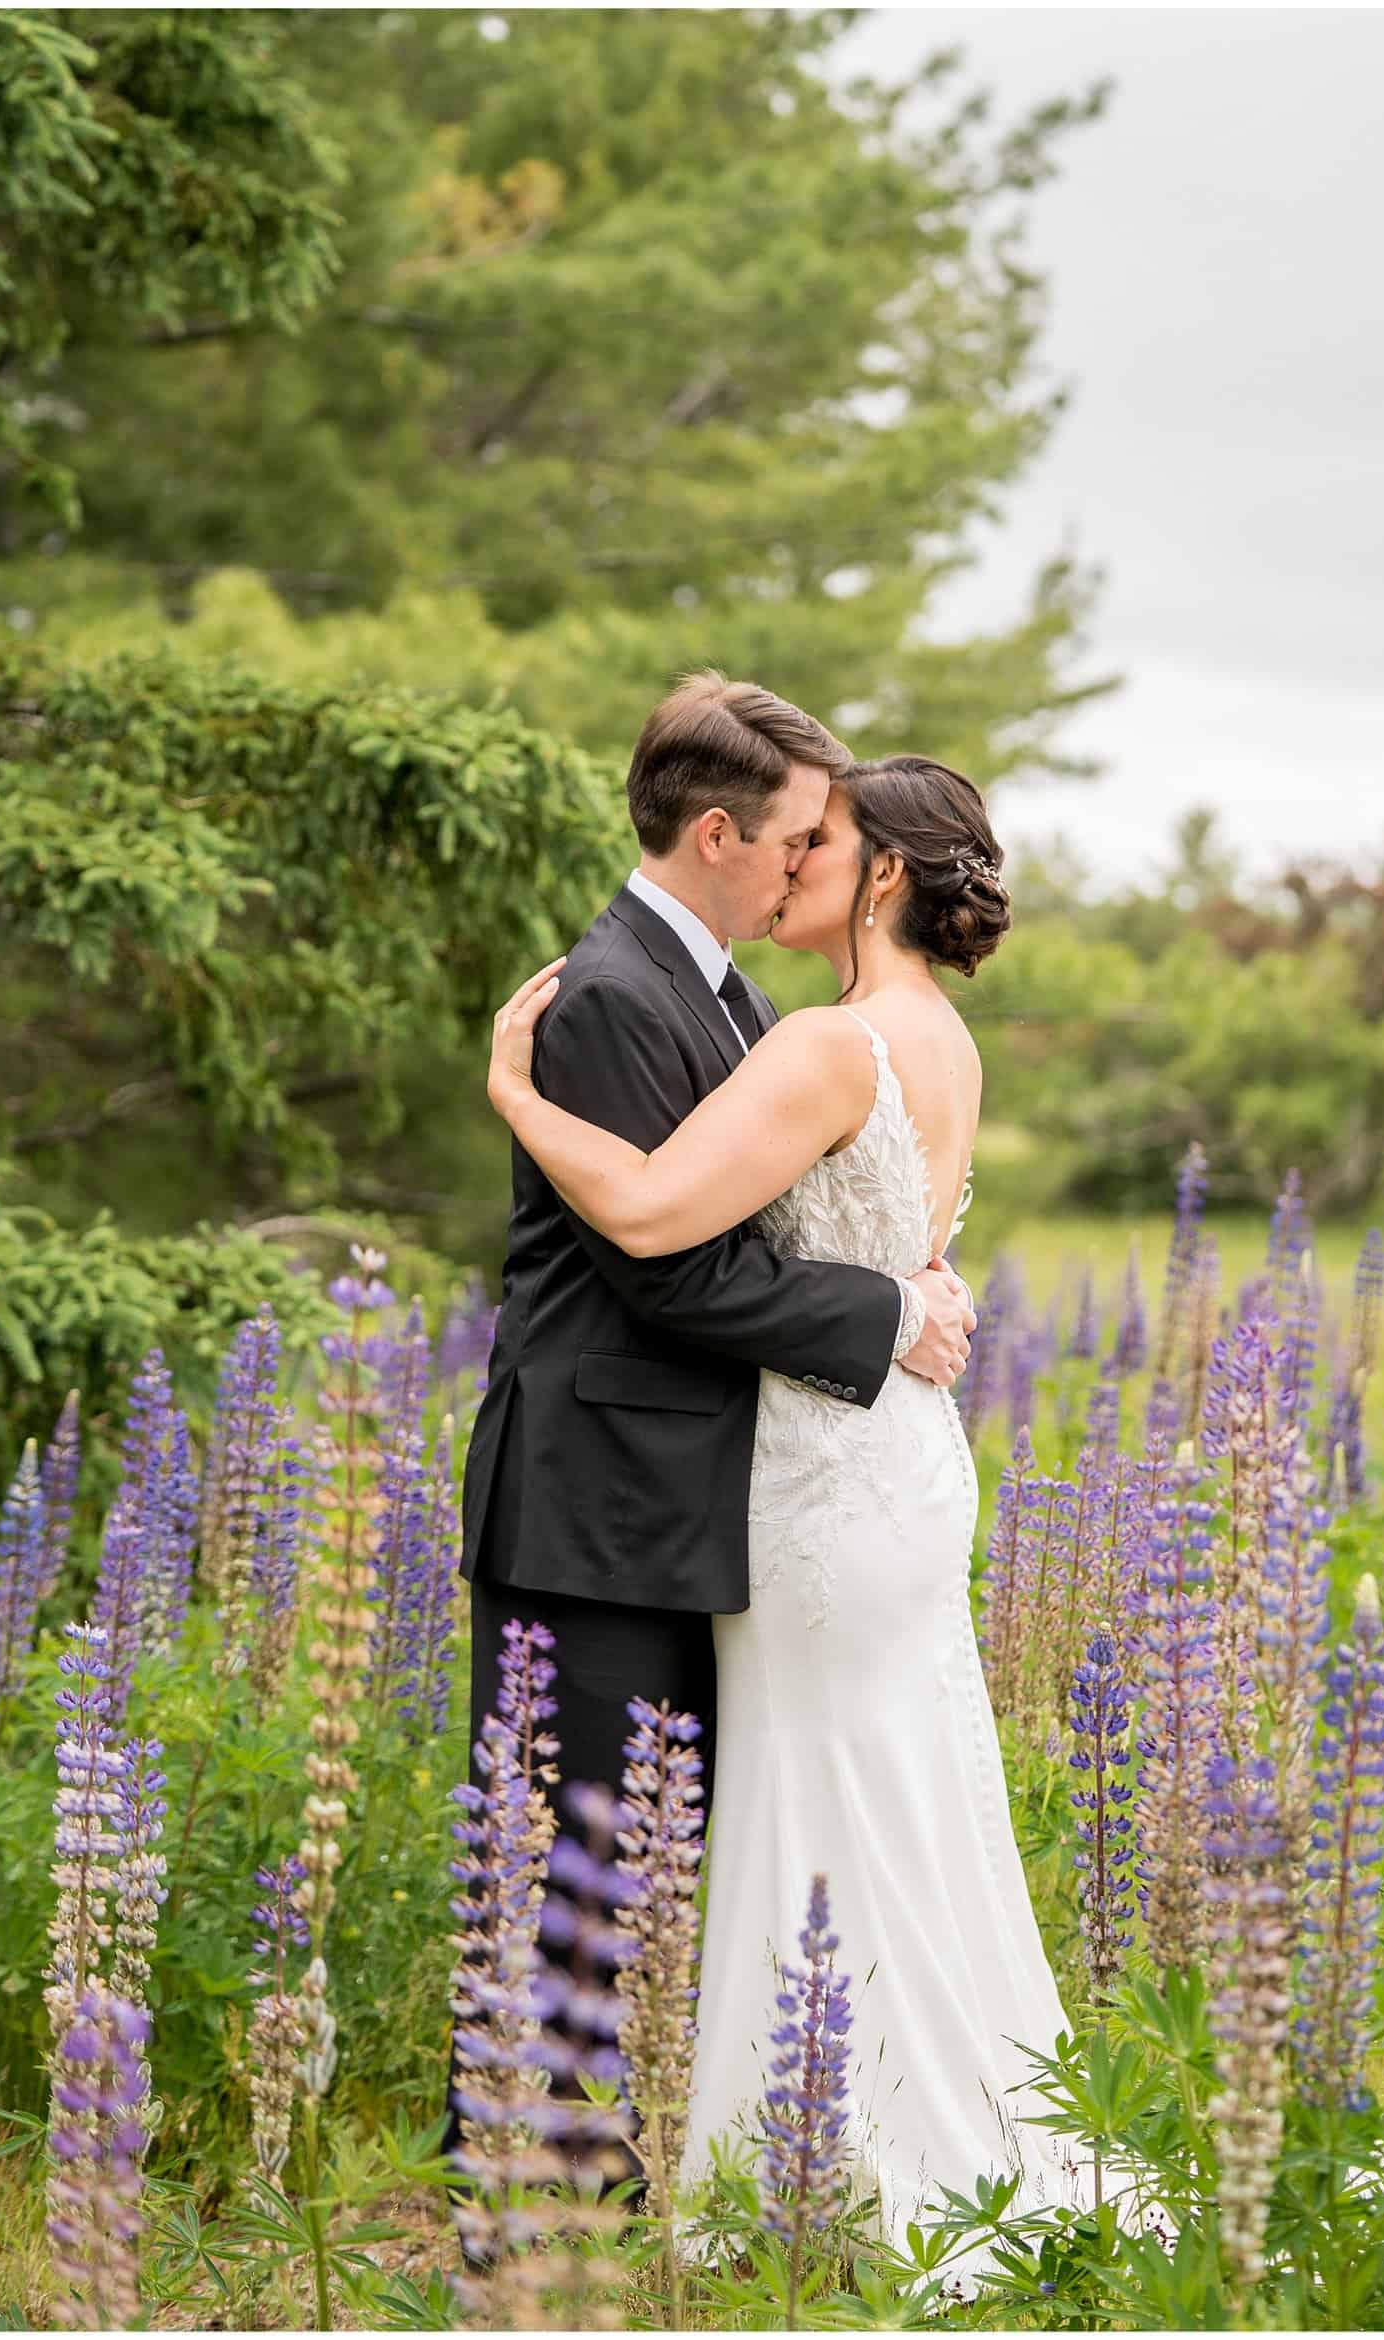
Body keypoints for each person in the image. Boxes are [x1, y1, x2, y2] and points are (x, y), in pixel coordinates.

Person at [483, 747, 1096, 2246]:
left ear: (883, 875)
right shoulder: (937, 1038)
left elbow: (640, 1212)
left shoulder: (828, 1045)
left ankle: (819, 2160)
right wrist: (899, 1301)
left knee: (820, 1792)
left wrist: (506, 1085)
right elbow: (884, 1252)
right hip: (897, 1460)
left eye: (826, 842)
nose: (797, 858)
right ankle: (897, 2126)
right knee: (893, 1788)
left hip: (826, 1483)